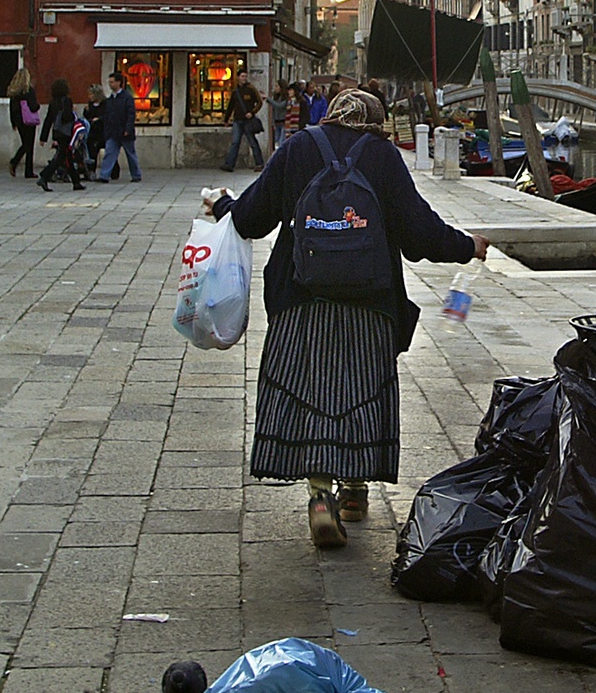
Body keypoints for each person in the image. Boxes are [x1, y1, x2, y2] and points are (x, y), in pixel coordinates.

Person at [202, 86, 489, 549]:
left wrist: (222, 205)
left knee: (308, 389)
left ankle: (320, 494)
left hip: (301, 299)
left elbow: (251, 218)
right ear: (373, 122)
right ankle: (355, 492)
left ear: (332, 116)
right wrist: (466, 244)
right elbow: (419, 234)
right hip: (370, 302)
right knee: (361, 391)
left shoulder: (298, 148)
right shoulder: (381, 155)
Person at [94, 72, 142, 183]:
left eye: (112, 82)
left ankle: (136, 175)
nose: (110, 84)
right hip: (113, 131)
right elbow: (108, 115)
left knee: (130, 154)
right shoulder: (110, 99)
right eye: (109, 82)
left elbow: (131, 114)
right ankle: (104, 175)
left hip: (124, 131)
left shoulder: (127, 98)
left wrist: (128, 129)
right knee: (109, 153)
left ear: (119, 82)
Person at [221, 75, 265, 172]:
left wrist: (252, 113)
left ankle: (259, 163)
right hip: (237, 120)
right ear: (238, 78)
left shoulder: (251, 89)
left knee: (252, 142)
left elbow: (259, 102)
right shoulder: (235, 91)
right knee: (235, 142)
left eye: (245, 76)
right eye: (242, 76)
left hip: (248, 121)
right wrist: (226, 119)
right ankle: (229, 164)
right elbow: (231, 106)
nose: (244, 78)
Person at [7, 72, 40, 177]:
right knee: (29, 145)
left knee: (25, 143)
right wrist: (38, 106)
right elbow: (33, 106)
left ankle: (19, 165)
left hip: (19, 121)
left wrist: (13, 122)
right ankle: (19, 164)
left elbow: (11, 108)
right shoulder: (29, 91)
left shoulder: (15, 93)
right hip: (29, 121)